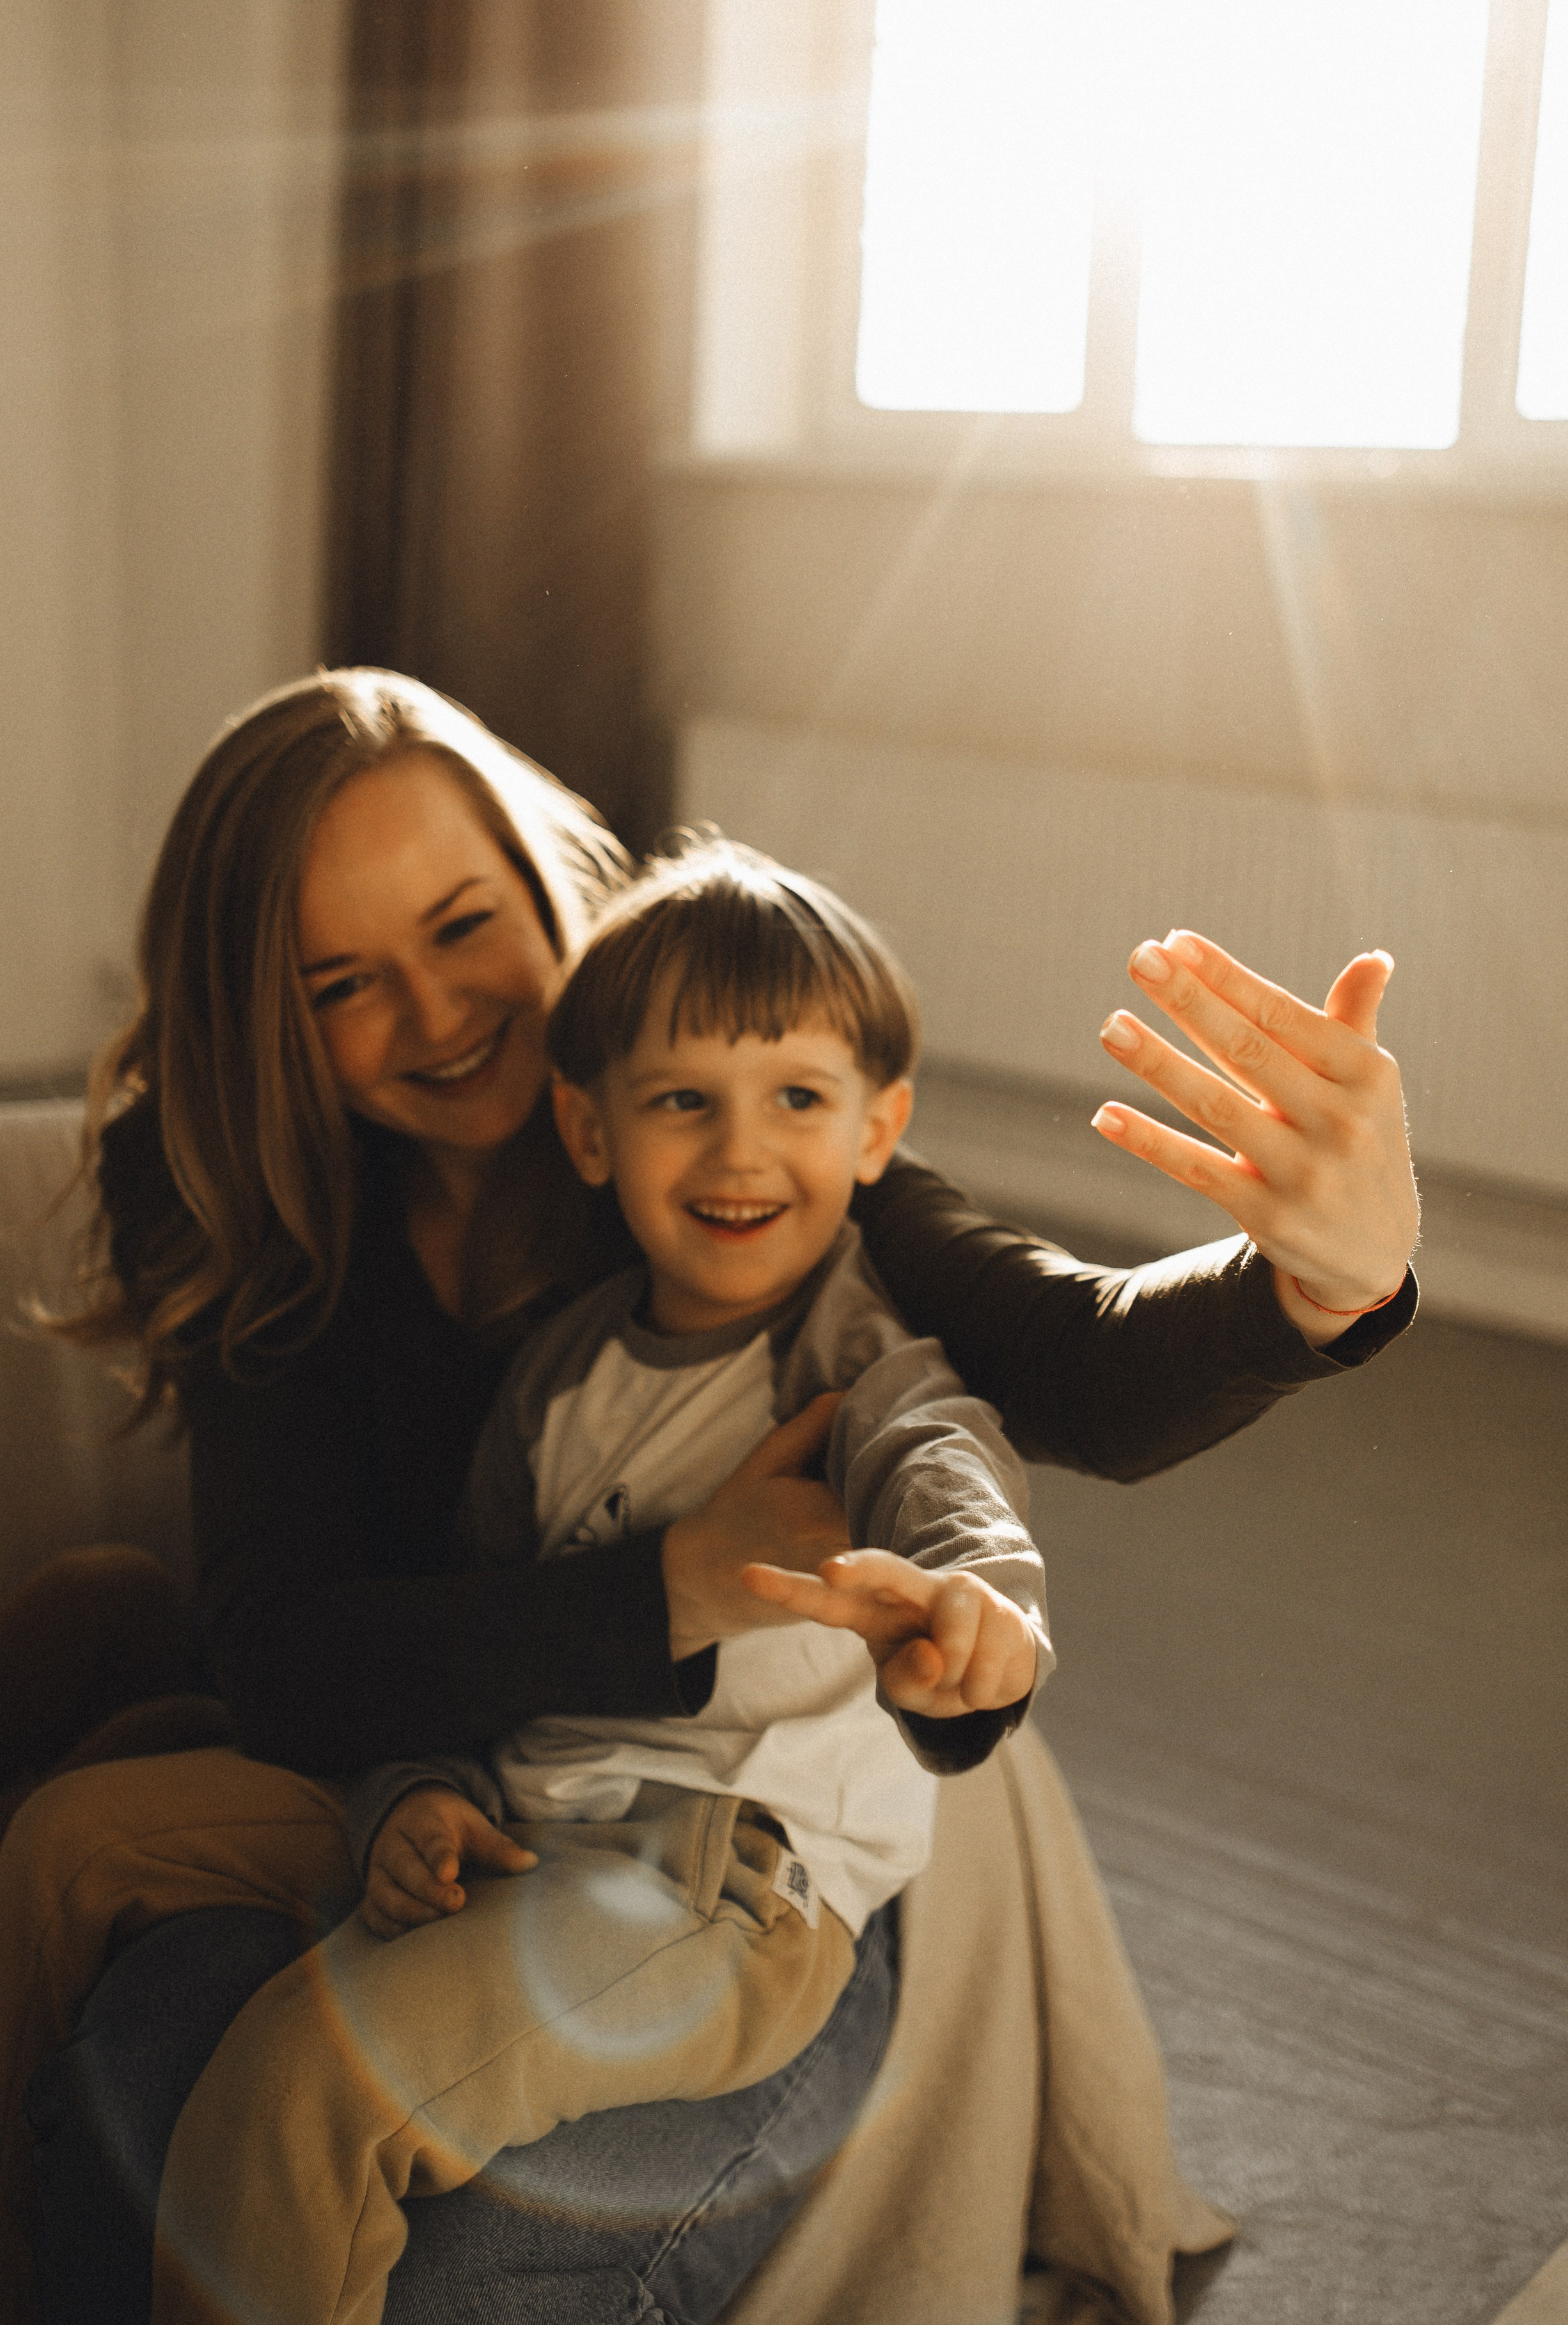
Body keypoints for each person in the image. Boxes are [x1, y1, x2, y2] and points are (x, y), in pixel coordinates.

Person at [0, 668, 1418, 2325]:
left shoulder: (718, 1130)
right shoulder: (242, 1185)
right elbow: (287, 1656)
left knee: (402, 2229)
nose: (441, 1011)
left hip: (724, 1845)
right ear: (262, 1019)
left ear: (549, 892)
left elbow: (1053, 1360)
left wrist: (1321, 1281)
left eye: (467, 927)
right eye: (342, 983)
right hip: (443, 1774)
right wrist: (656, 1590)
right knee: (115, 1994)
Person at [152, 836, 1051, 2324]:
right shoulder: (560, 1376)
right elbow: (476, 1627)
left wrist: (981, 1610)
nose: (740, 1151)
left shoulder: (853, 1365)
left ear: (878, 1127)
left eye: (798, 1100)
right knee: (162, 1944)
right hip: (542, 1844)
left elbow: (943, 1475)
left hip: (725, 1887)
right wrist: (415, 1791)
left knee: (299, 2090)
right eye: (681, 1102)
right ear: (587, 1132)